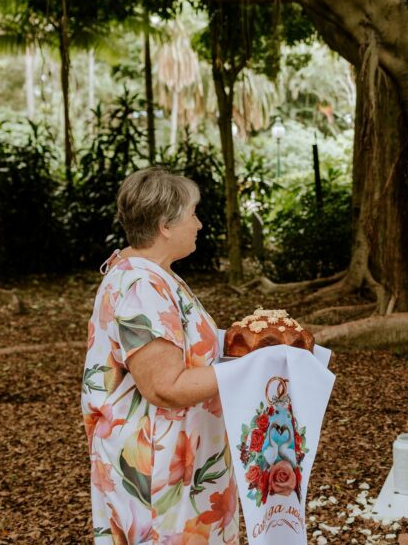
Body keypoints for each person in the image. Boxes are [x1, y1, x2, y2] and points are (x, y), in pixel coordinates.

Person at [81, 167, 238, 543]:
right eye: (193, 214)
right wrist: (251, 368)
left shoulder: (154, 273)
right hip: (158, 469)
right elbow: (165, 386)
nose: (199, 224)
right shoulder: (141, 286)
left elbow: (182, 345)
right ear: (165, 225)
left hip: (179, 460)